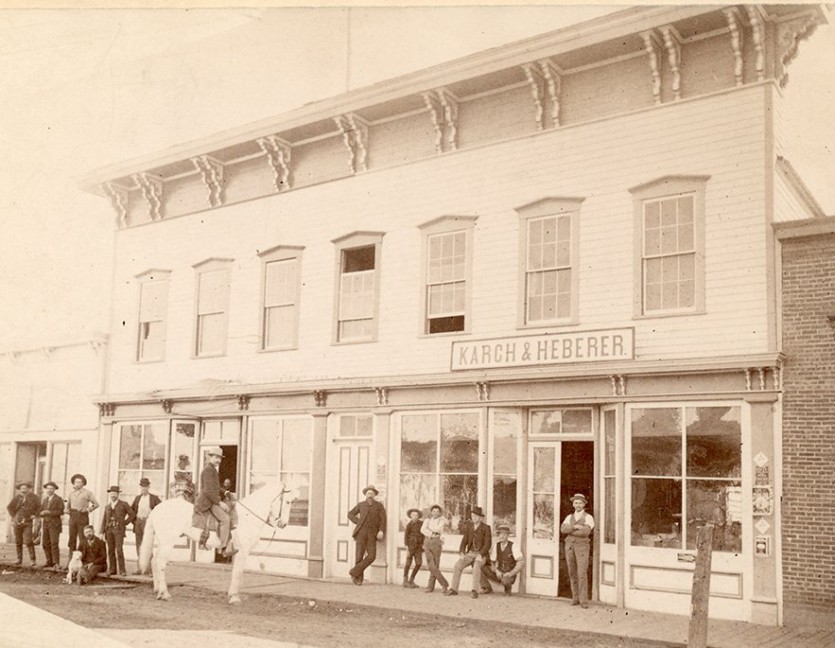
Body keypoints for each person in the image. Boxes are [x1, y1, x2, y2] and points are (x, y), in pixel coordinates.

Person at [194, 446, 235, 557]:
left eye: (220, 458)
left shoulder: (212, 470)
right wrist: (219, 502)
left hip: (211, 499)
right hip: (207, 502)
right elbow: (208, 490)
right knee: (226, 519)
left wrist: (225, 492)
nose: (218, 460)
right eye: (216, 457)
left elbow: (215, 487)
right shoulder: (208, 470)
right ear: (210, 457)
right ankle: (222, 546)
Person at [445, 505, 492, 599]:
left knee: (476, 566)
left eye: (476, 516)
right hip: (470, 553)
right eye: (473, 516)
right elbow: (464, 541)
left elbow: (488, 544)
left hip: (481, 554)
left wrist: (480, 554)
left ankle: (475, 591)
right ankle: (454, 589)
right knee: (457, 565)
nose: (473, 518)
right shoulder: (469, 527)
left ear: (480, 518)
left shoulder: (486, 528)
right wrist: (462, 552)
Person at [560, 493, 594, 608]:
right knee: (572, 572)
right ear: (573, 504)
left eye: (580, 503)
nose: (578, 505)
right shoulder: (569, 517)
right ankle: (575, 598)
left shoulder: (588, 517)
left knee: (582, 573)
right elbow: (563, 529)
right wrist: (575, 527)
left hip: (582, 547)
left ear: (584, 504)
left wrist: (571, 530)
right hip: (569, 546)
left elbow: (585, 532)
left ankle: (583, 601)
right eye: (576, 503)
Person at [347, 484, 386, 585]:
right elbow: (350, 514)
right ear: (365, 494)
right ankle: (358, 579)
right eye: (368, 493)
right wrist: (358, 521)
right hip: (361, 532)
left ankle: (354, 571)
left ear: (374, 495)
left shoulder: (379, 505)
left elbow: (383, 519)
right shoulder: (361, 505)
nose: (370, 495)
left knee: (372, 556)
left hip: (372, 534)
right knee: (359, 555)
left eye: (372, 493)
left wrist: (381, 530)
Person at [101, 485, 136, 576]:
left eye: (115, 493)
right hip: (109, 530)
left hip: (119, 531)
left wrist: (124, 523)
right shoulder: (107, 506)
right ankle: (112, 569)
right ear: (110, 494)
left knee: (119, 550)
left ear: (118, 494)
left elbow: (132, 514)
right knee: (110, 550)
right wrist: (102, 531)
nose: (113, 495)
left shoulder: (124, 504)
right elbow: (104, 519)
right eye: (111, 493)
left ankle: (122, 570)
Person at [480, 525, 524, 596]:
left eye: (504, 534)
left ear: (507, 535)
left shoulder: (513, 545)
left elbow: (521, 562)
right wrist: (496, 570)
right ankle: (487, 587)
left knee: (505, 579)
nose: (502, 536)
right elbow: (492, 561)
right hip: (499, 573)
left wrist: (511, 573)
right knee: (481, 567)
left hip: (509, 575)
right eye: (500, 534)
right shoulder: (496, 545)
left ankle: (508, 590)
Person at [65, 473, 99, 560]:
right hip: (73, 518)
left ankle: (83, 560)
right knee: (72, 539)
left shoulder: (87, 493)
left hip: (82, 517)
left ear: (83, 483)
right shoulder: (71, 494)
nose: (77, 484)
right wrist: (68, 511)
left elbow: (96, 504)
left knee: (83, 539)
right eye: (76, 482)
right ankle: (70, 561)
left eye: (80, 482)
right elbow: (67, 507)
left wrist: (87, 510)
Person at [131, 477, 161, 572]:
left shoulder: (154, 498)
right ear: (140, 487)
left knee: (148, 545)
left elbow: (160, 510)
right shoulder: (137, 498)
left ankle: (150, 569)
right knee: (139, 545)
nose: (144, 488)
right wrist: (135, 522)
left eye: (145, 486)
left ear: (149, 487)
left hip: (148, 523)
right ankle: (140, 568)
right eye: (142, 487)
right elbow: (132, 511)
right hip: (138, 523)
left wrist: (153, 521)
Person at [6, 482, 40, 566]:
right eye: (22, 489)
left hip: (28, 522)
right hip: (17, 522)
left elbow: (39, 507)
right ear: (20, 490)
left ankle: (32, 560)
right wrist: (14, 516)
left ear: (28, 489)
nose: (24, 490)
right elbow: (9, 507)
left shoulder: (34, 497)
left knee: (28, 541)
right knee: (18, 541)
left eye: (25, 488)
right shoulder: (17, 498)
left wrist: (35, 515)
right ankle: (19, 559)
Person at [420, 504, 449, 594]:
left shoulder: (441, 521)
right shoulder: (427, 520)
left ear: (440, 512)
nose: (435, 513)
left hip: (436, 543)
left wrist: (430, 530)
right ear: (431, 512)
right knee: (431, 564)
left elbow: (439, 529)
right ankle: (444, 583)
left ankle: (430, 586)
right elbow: (422, 530)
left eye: (437, 511)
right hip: (427, 542)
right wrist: (431, 533)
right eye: (433, 511)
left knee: (435, 565)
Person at [39, 481, 64, 571]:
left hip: (54, 524)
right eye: (48, 489)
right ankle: (49, 561)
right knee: (45, 543)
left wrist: (49, 512)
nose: (49, 490)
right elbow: (40, 510)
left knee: (54, 543)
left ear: (54, 489)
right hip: (45, 524)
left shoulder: (58, 499)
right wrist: (41, 513)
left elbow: (61, 511)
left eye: (51, 489)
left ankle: (56, 563)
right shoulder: (45, 500)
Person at [402, 508, 423, 588]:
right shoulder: (409, 525)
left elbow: (423, 534)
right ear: (410, 516)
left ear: (418, 516)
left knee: (418, 563)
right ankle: (405, 580)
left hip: (418, 547)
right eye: (413, 515)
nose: (414, 516)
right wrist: (407, 548)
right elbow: (406, 537)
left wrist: (422, 544)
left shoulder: (421, 524)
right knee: (408, 563)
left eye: (416, 515)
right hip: (410, 546)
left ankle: (411, 580)